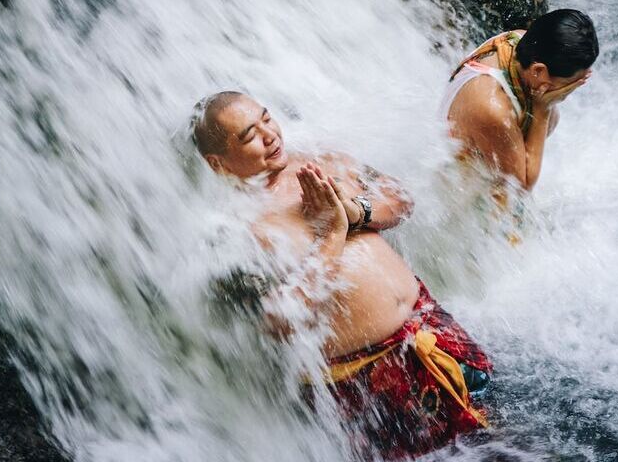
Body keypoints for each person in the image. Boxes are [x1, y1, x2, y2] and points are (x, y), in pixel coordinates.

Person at [192, 91, 492, 458]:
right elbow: (279, 321)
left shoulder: (320, 159)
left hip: (432, 330)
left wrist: (356, 212)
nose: (270, 135)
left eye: (267, 118)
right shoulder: (234, 233)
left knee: (502, 432)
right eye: (248, 135)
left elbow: (400, 198)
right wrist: (332, 236)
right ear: (218, 163)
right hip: (369, 382)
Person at [440, 9, 599, 197]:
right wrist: (543, 110)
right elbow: (518, 188)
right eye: (570, 84)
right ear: (538, 71)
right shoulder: (492, 107)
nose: (571, 90)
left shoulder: (521, 41)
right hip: (456, 189)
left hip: (487, 168)